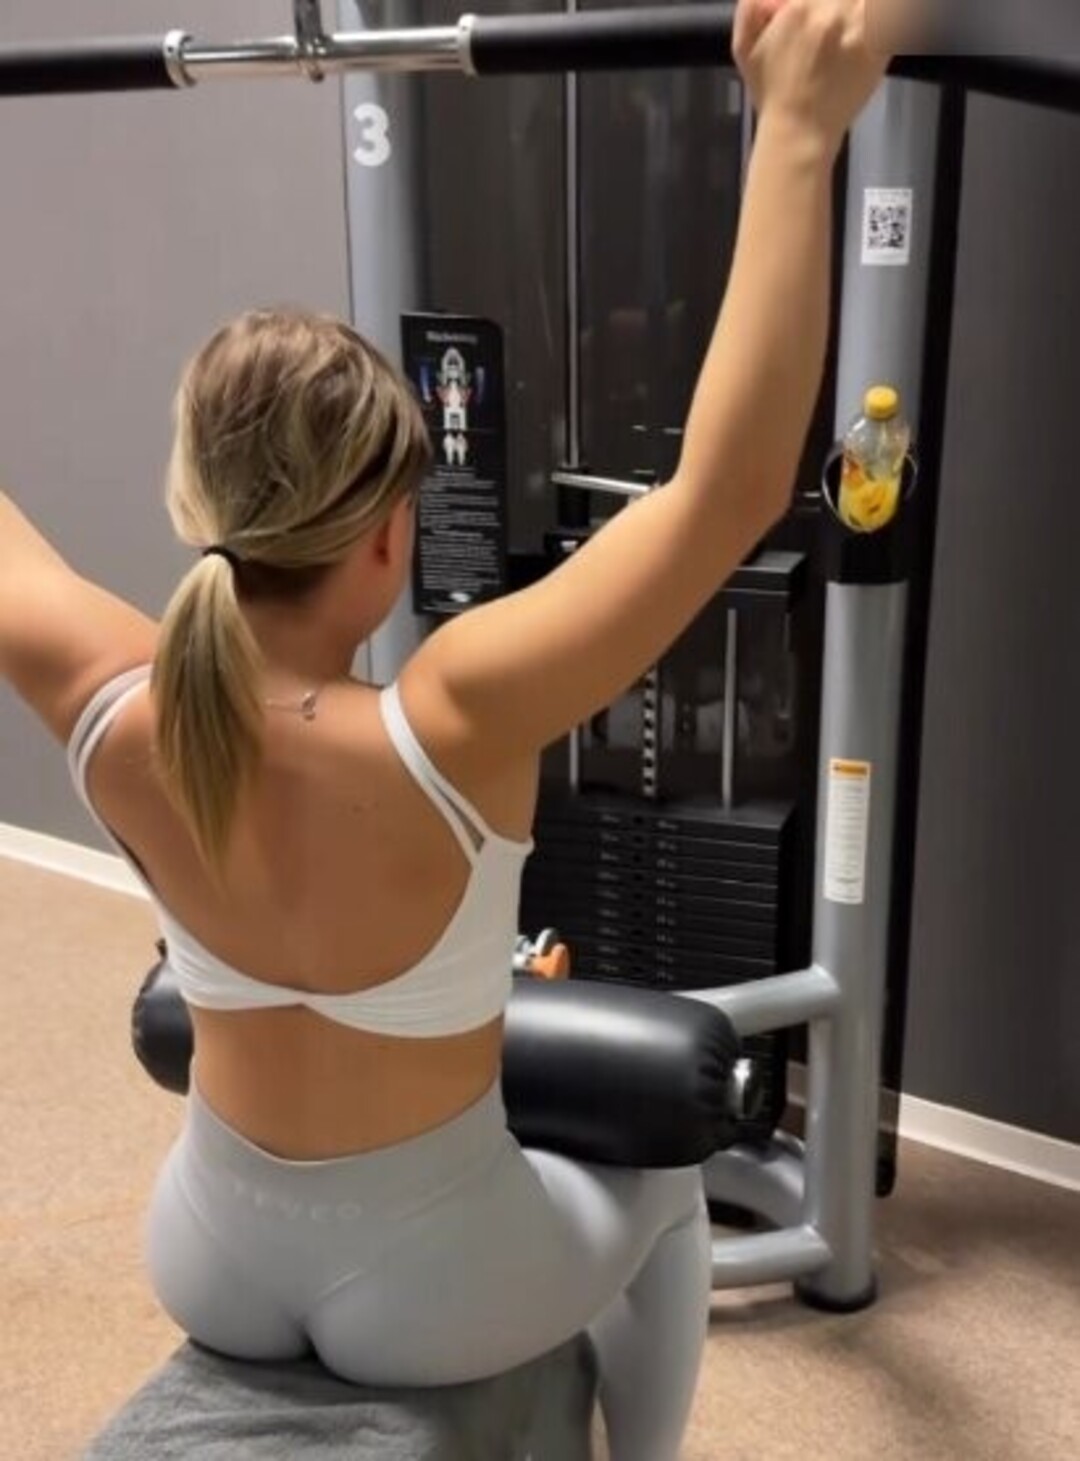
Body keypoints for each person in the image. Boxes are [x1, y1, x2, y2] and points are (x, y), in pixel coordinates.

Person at [0, 4, 889, 1457]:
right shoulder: (459, 710)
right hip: (431, 1287)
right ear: (383, 537)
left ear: (195, 501)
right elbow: (728, 494)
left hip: (210, 1251)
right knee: (664, 1181)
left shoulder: (110, 700)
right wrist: (796, 131)